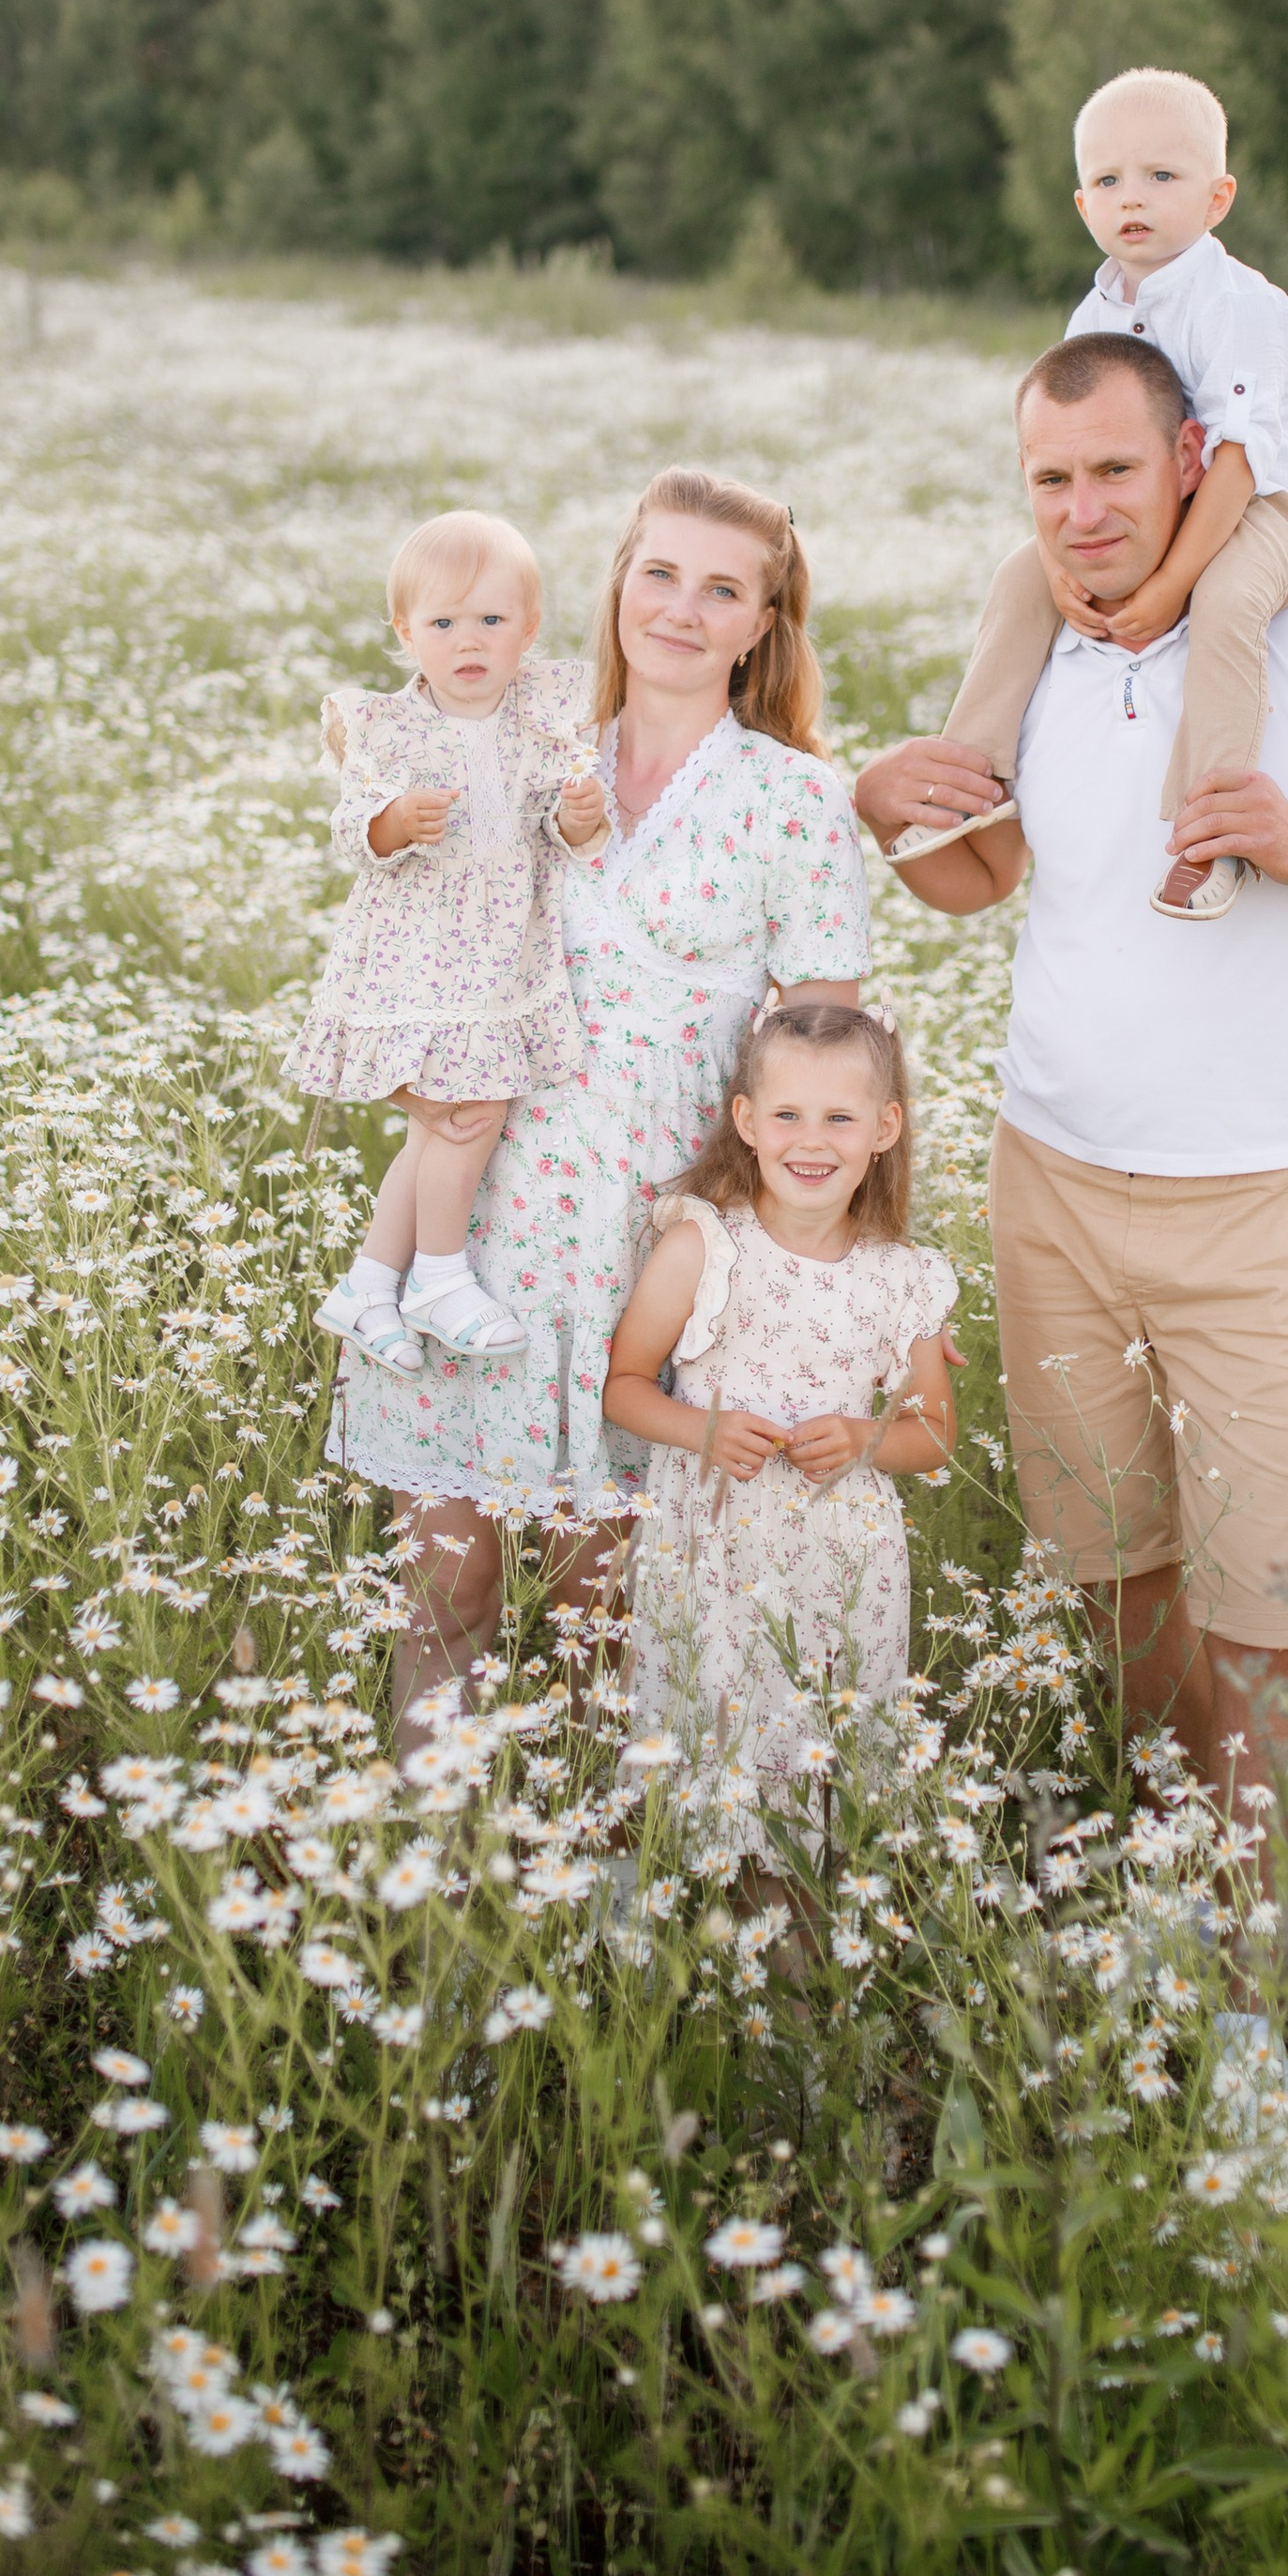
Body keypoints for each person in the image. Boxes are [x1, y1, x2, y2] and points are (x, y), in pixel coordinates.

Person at [855, 331, 1288, 1853]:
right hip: (1055, 1188)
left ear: (1187, 465)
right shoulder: (1039, 652)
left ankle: (1255, 1985)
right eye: (1048, 478)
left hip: (1269, 1207)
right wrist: (877, 804)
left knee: (1267, 1615)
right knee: (1110, 1575)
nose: (1082, 509)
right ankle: (1172, 1842)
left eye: (1111, 471)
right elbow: (980, 883)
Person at [329, 468, 873, 1750]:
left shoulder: (793, 799)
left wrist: (824, 1280)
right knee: (446, 1586)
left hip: (657, 1252)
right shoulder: (518, 736)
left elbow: (825, 1061)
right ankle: (433, 1902)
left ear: (763, 624)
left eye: (721, 588)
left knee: (606, 1610)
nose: (681, 608)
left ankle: (592, 1902)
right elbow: (385, 873)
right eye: (659, 573)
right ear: (618, 585)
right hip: (480, 1218)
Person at [893, 65, 1288, 921]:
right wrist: (1061, 573)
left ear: (1217, 197)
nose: (1134, 197)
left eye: (1163, 176)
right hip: (1155, 510)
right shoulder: (1091, 316)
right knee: (1018, 576)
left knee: (1230, 596)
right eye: (1108, 180)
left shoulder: (1241, 304)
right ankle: (976, 775)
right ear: (1083, 205)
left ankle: (1215, 831)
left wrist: (1170, 586)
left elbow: (1238, 465)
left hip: (1273, 508)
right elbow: (1058, 455)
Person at [604, 1004, 957, 1850]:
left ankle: (797, 1946)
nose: (813, 1140)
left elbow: (934, 1433)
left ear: (884, 1127)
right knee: (704, 1727)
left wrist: (867, 1437)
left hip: (844, 1564)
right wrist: (703, 1429)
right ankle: (664, 1924)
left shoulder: (902, 1276)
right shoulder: (704, 1247)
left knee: (818, 1750)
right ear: (747, 1122)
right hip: (714, 1554)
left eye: (840, 1117)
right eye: (789, 1115)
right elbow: (623, 1386)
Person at [295, 510, 611, 1369]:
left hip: (500, 959)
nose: (467, 640)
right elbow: (349, 828)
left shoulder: (540, 714)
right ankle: (438, 1274)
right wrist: (393, 821)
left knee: (440, 1129)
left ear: (528, 630)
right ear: (406, 633)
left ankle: (367, 1285)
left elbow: (563, 823)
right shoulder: (390, 727)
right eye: (442, 623)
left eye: (491, 621)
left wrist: (578, 818)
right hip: (415, 961)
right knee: (468, 1116)